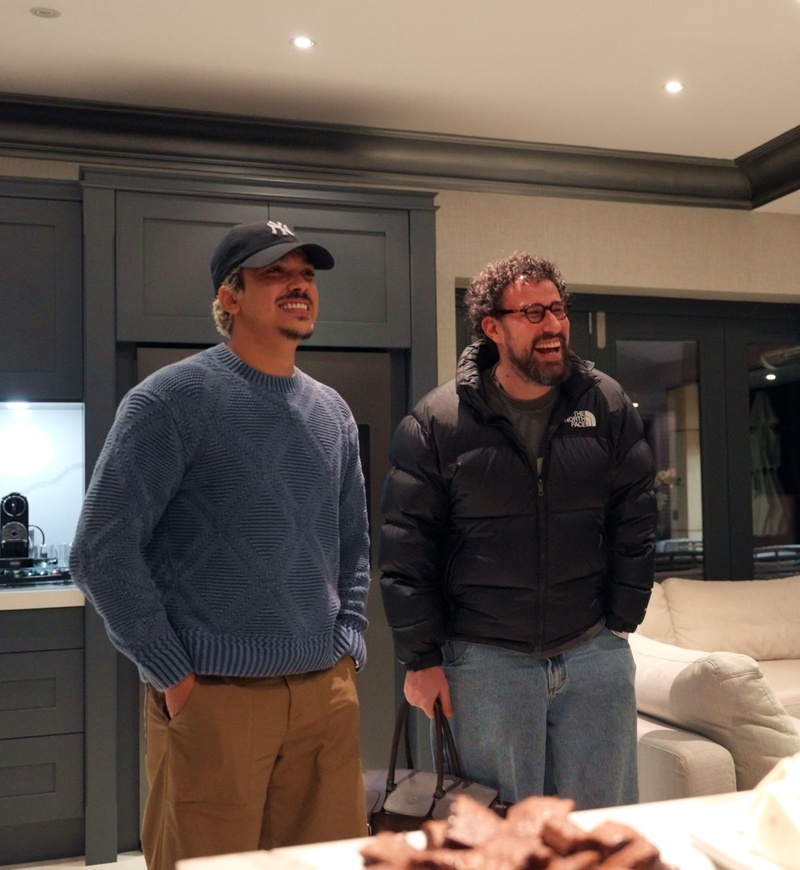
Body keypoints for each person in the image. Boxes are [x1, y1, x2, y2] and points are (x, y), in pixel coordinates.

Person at [70, 219, 371, 870]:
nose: (298, 285)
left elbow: (353, 544)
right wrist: (175, 677)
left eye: (306, 275)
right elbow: (100, 550)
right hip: (214, 697)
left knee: (331, 864)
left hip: (323, 695)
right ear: (229, 297)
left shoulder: (334, 413)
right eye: (274, 273)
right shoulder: (170, 400)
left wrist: (349, 642)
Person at [377, 251, 657, 810]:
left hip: (592, 652)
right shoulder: (438, 421)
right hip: (484, 664)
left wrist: (620, 622)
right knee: (493, 831)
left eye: (558, 309)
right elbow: (406, 550)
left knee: (602, 829)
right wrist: (421, 660)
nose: (552, 325)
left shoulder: (605, 403)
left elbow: (635, 517)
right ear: (492, 327)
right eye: (533, 313)